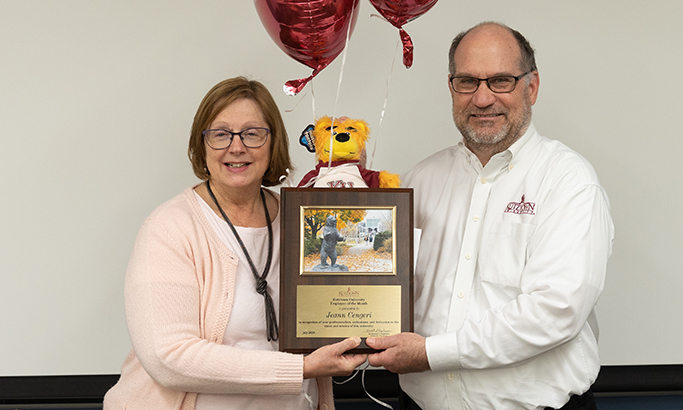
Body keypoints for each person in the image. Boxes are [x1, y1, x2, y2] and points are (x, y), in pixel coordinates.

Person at [366, 22, 614, 410]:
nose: (482, 99)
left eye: (501, 81)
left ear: (530, 87)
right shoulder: (419, 181)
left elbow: (555, 311)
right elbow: (384, 288)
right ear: (451, 87)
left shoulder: (567, 180)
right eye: (467, 81)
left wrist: (432, 353)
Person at [104, 77, 367, 410]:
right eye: (220, 134)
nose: (236, 147)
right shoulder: (169, 228)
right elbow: (169, 357)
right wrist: (301, 369)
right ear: (202, 145)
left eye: (252, 133)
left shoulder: (303, 218)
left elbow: (333, 310)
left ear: (273, 144)